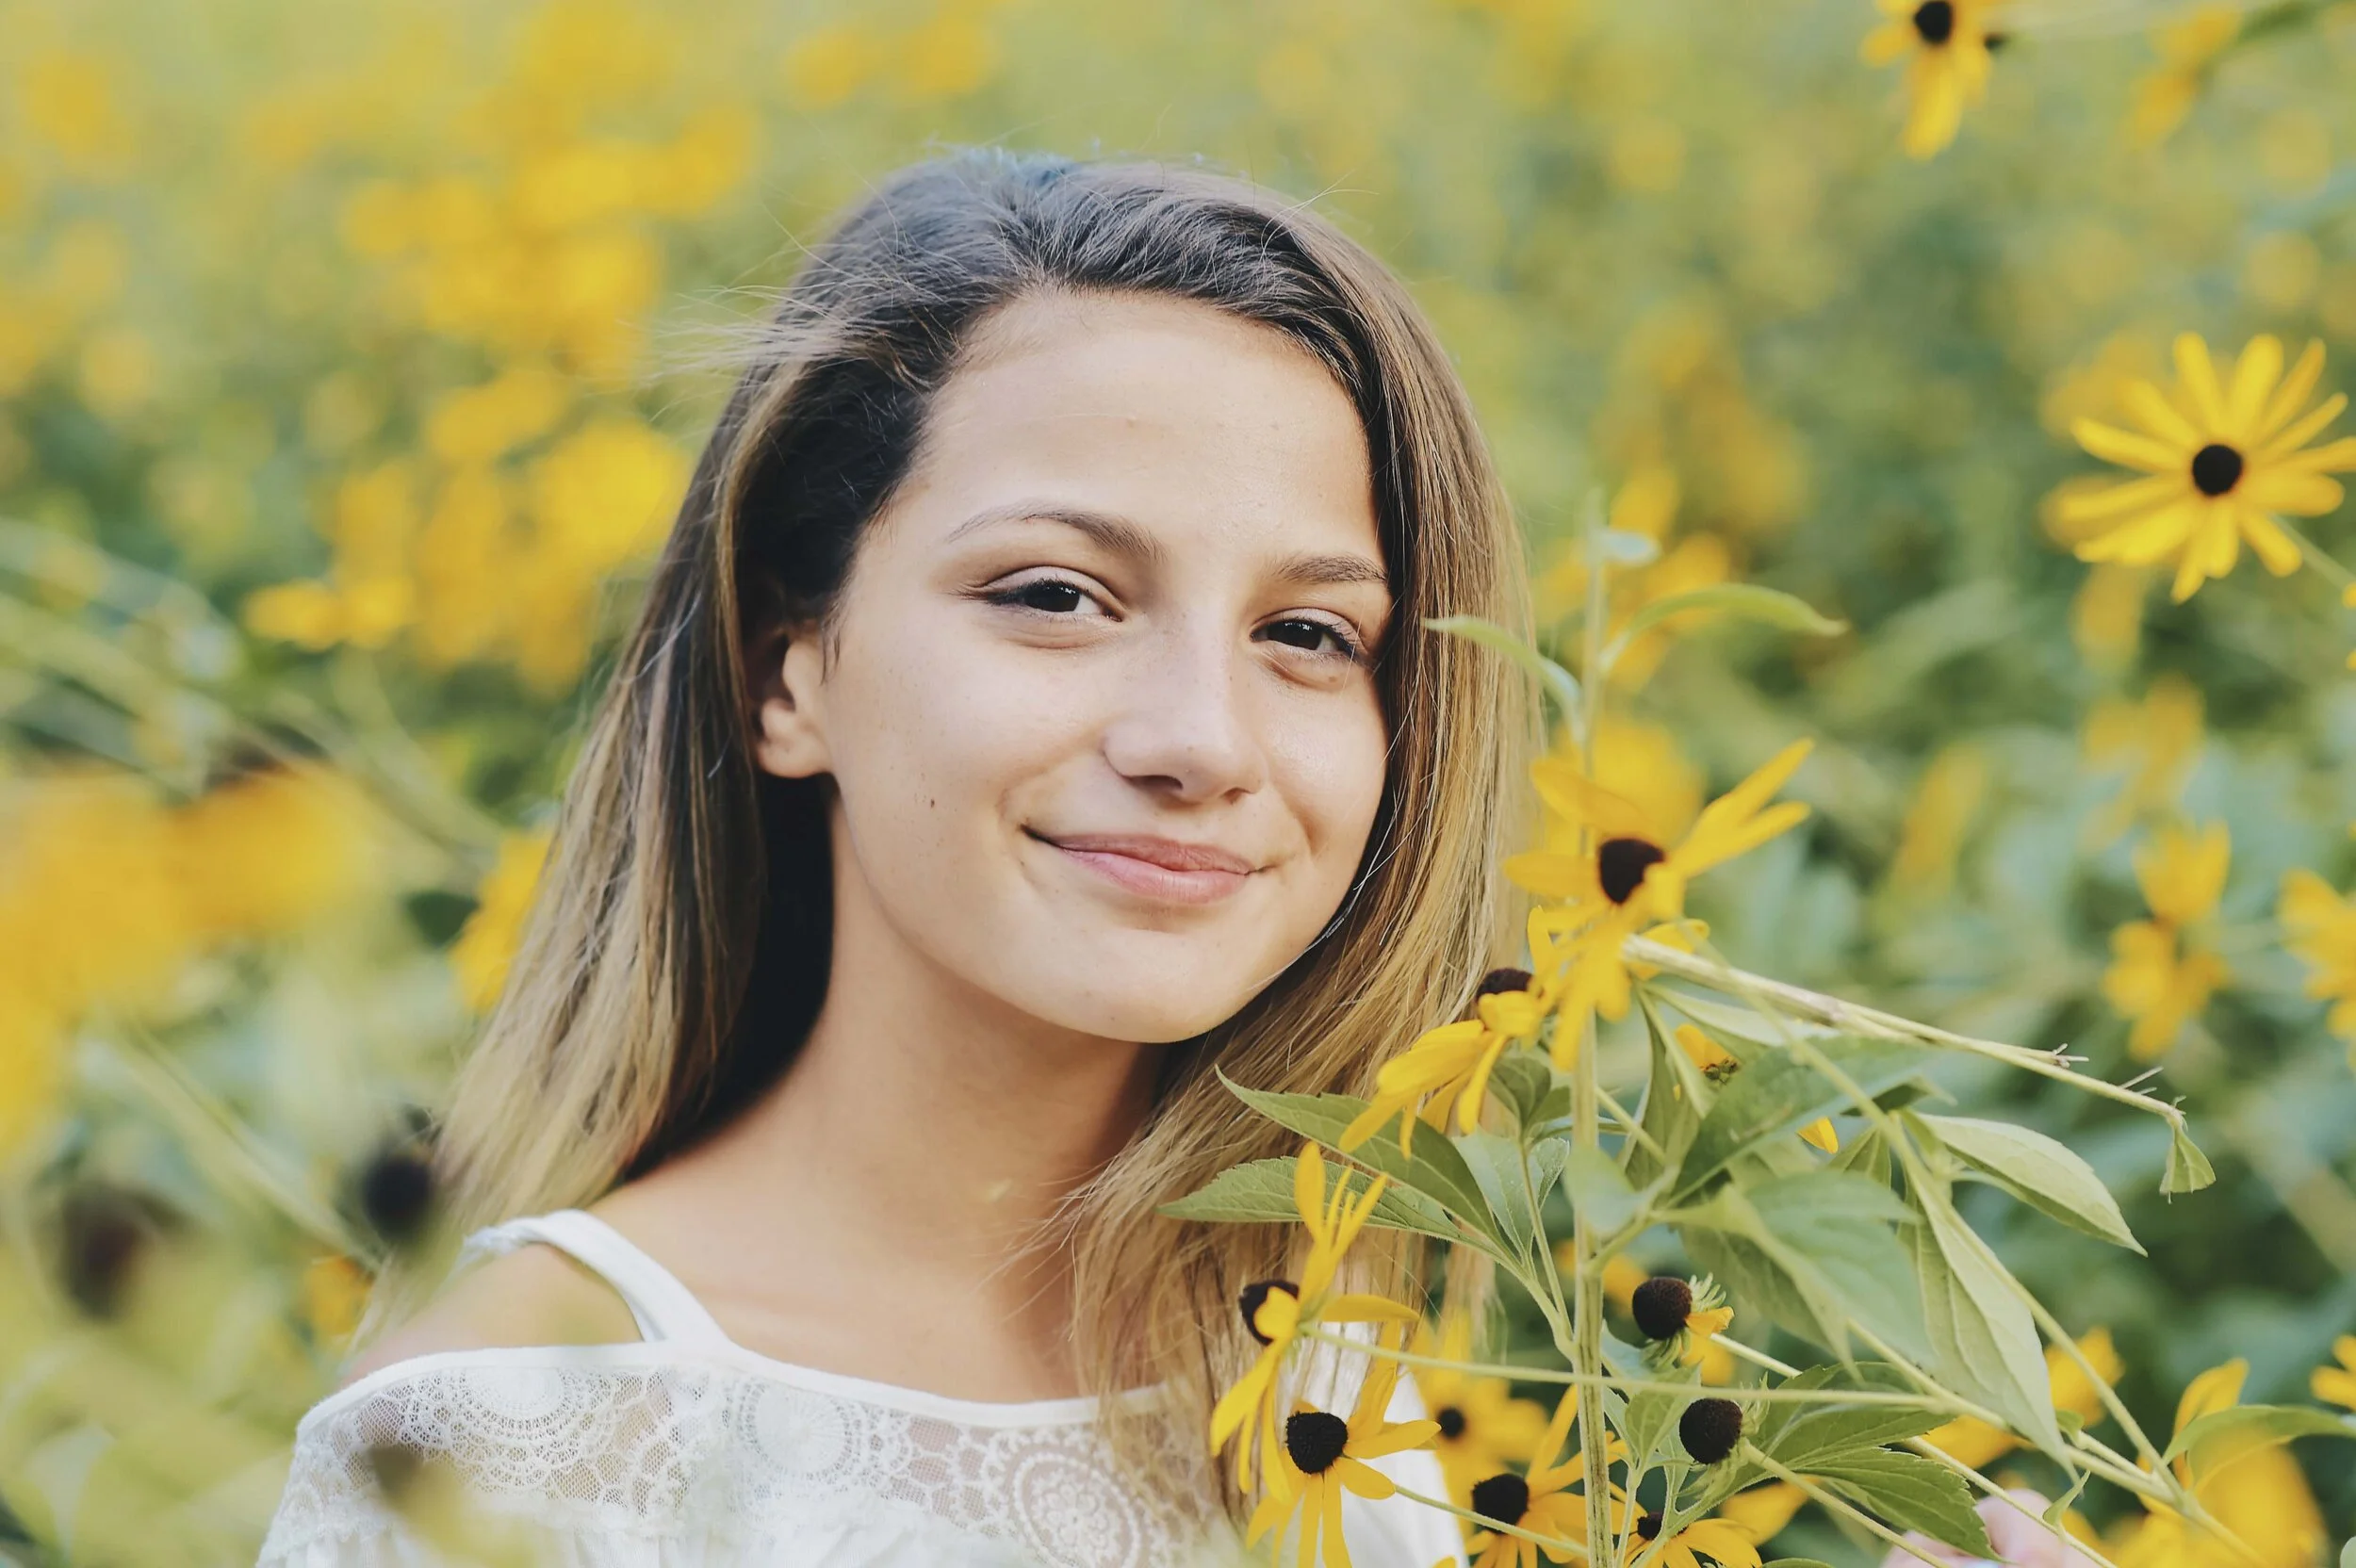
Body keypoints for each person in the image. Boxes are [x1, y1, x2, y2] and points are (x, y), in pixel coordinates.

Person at [257, 149, 1538, 1568]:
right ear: (786, 675)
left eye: (1308, 634)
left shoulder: (1327, 1397)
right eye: (1056, 595)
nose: (1202, 742)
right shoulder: (502, 1439)